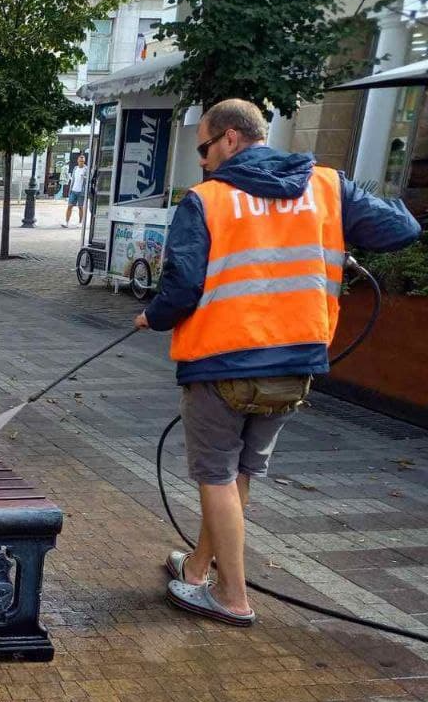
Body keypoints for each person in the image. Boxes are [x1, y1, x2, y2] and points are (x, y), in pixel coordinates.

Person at [134, 98, 420, 626]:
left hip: (224, 362)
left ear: (230, 139)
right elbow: (401, 229)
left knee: (216, 476)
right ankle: (198, 569)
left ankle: (233, 596)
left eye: (204, 148)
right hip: (295, 365)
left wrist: (153, 316)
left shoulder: (207, 200)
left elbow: (181, 287)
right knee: (238, 472)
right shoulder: (329, 188)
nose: (201, 161)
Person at [63, 154, 88, 228]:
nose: (81, 162)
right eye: (80, 161)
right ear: (77, 160)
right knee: (69, 206)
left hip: (81, 192)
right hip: (73, 190)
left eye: (83, 161)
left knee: (80, 207)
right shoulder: (75, 168)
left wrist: (85, 177)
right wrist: (70, 190)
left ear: (84, 161)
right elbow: (73, 179)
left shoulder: (86, 169)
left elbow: (89, 179)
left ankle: (80, 222)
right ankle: (66, 222)